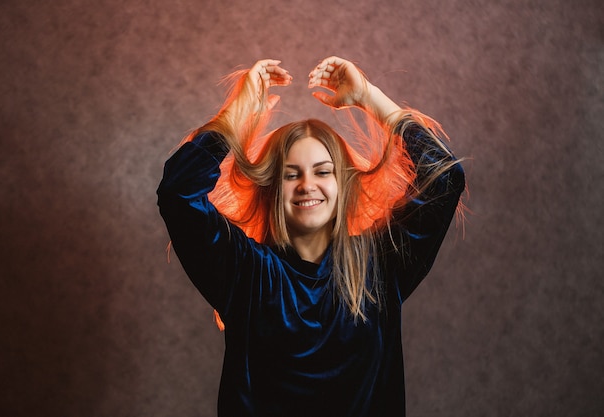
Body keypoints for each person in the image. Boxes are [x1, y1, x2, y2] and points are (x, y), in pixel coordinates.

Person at [157, 56, 465, 417]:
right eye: (291, 175)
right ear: (272, 188)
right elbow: (178, 193)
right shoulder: (245, 272)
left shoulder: (381, 266)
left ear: (342, 184)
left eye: (323, 172)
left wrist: (368, 96)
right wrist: (239, 111)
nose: (308, 186)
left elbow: (444, 178)